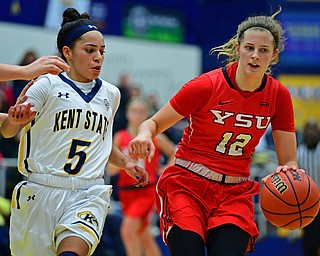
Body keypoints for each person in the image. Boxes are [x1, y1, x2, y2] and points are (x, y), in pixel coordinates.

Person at [128, 7, 301, 256]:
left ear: (273, 56)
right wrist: (144, 135)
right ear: (238, 48)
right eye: (249, 48)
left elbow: (288, 161)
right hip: (187, 185)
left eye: (263, 50)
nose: (255, 55)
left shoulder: (278, 95)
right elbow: (152, 123)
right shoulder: (206, 86)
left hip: (233, 191)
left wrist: (288, 172)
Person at [0, 7, 148, 256]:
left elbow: (101, 141)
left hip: (87, 192)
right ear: (67, 52)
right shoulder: (46, 84)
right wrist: (15, 121)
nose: (98, 57)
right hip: (40, 190)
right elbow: (7, 131)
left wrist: (126, 163)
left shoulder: (111, 94)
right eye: (90, 51)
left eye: (102, 51)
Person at [108, 98, 176, 256]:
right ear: (127, 114)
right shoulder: (120, 136)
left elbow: (175, 152)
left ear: (146, 114)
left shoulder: (155, 137)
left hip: (146, 191)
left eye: (141, 112)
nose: (137, 115)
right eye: (134, 111)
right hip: (126, 193)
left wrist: (167, 169)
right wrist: (119, 165)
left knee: (127, 231)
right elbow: (111, 169)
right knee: (143, 234)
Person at [297, 118, 320, 256]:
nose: (311, 132)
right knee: (309, 241)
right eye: (308, 128)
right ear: (304, 131)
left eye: (314, 128)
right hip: (307, 204)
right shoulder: (299, 151)